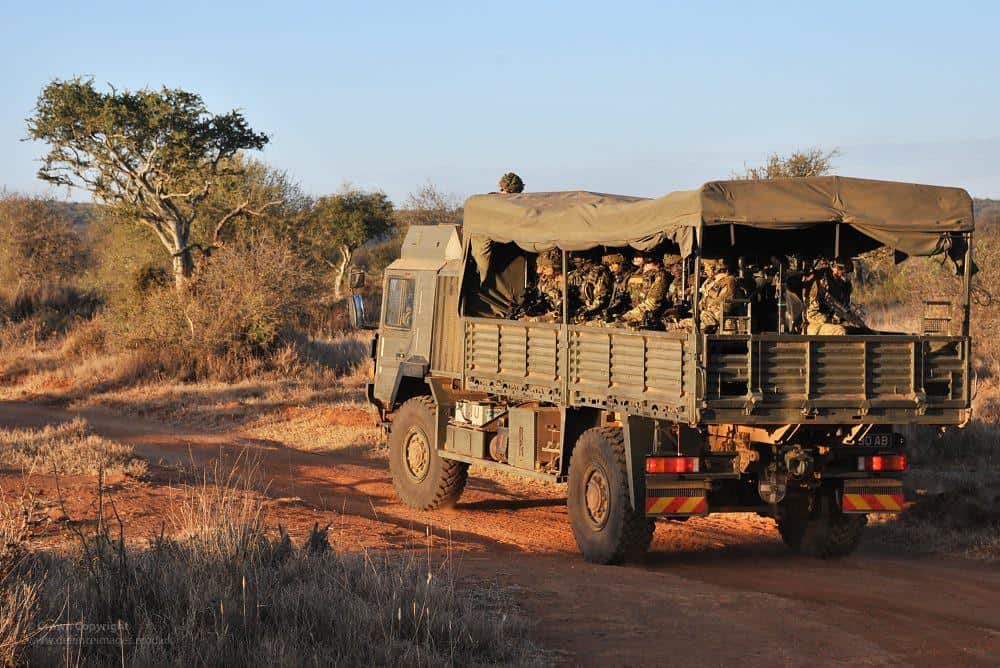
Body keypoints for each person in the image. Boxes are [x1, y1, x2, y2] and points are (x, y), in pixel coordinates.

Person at [804, 259, 859, 335]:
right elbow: (811, 315)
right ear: (834, 268)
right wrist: (833, 320)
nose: (845, 274)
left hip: (833, 323)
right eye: (842, 270)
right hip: (816, 325)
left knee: (861, 330)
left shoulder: (844, 287)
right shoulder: (820, 284)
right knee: (842, 332)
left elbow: (844, 310)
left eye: (848, 272)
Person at [621, 252, 668, 328]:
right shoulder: (634, 275)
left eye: (638, 255)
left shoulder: (659, 275)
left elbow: (652, 302)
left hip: (651, 320)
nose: (635, 258)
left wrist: (629, 315)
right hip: (635, 317)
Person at [698, 258, 740, 333]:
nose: (705, 270)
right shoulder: (709, 282)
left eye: (707, 267)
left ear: (715, 269)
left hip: (723, 321)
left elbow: (724, 304)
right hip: (710, 318)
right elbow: (703, 302)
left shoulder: (729, 281)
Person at [568, 255, 612, 324]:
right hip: (581, 313)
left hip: (596, 315)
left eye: (577, 259)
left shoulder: (598, 273)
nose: (576, 263)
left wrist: (584, 312)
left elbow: (600, 300)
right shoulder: (575, 274)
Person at [523, 250, 562, 322]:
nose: (539, 271)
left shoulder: (564, 281)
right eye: (539, 266)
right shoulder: (544, 280)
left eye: (545, 268)